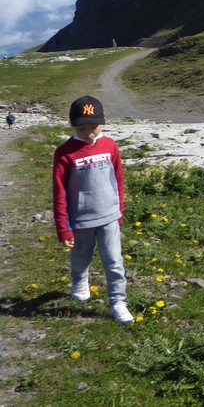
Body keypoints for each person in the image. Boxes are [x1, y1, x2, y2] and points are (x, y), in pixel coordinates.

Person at [52, 96, 133, 324]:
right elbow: (59, 193)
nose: (89, 133)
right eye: (82, 128)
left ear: (103, 122)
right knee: (80, 258)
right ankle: (79, 278)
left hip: (109, 215)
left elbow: (117, 179)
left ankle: (118, 302)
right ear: (72, 125)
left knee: (114, 261)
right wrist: (63, 228)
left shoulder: (110, 145)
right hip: (80, 220)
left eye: (94, 127)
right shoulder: (64, 153)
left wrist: (119, 210)